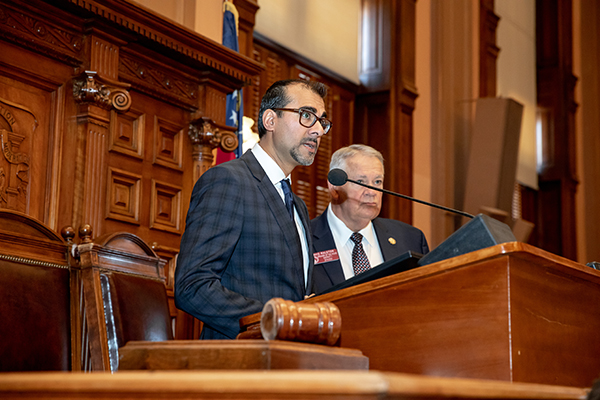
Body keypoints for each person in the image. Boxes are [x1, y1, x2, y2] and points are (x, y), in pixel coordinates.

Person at [175, 79, 330, 339]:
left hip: (288, 363)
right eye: (307, 116)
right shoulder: (228, 181)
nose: (318, 131)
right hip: (239, 363)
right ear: (270, 120)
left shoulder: (298, 205)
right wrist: (275, 322)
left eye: (322, 121)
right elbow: (193, 285)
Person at [311, 144, 429, 294]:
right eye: (361, 182)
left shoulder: (411, 239)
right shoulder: (303, 239)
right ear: (335, 187)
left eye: (377, 182)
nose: (372, 192)